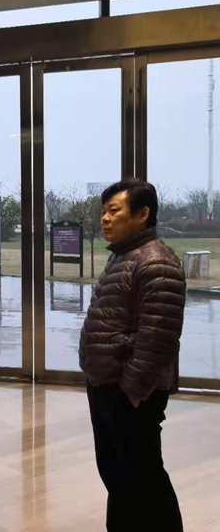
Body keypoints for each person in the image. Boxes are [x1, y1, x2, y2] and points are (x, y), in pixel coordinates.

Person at [79, 180, 185, 531]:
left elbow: (158, 337)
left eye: (114, 211)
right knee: (120, 477)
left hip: (131, 391)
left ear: (142, 214)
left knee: (144, 477)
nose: (105, 219)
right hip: (108, 383)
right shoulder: (124, 255)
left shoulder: (156, 262)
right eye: (103, 211)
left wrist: (134, 392)